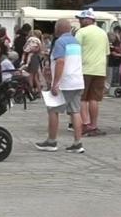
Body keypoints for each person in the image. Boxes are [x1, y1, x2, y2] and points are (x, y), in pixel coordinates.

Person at [35, 19, 86, 153]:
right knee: (75, 111)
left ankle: (51, 141)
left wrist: (55, 83)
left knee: (53, 110)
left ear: (58, 29)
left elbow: (61, 62)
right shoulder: (76, 42)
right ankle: (77, 142)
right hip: (77, 81)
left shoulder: (60, 42)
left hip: (65, 82)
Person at [75, 9, 109, 136]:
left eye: (81, 19)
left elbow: (75, 50)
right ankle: (94, 125)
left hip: (84, 69)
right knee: (94, 99)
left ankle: (85, 124)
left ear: (88, 20)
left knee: (82, 98)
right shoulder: (103, 33)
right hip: (99, 69)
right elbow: (106, 53)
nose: (80, 21)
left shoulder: (81, 32)